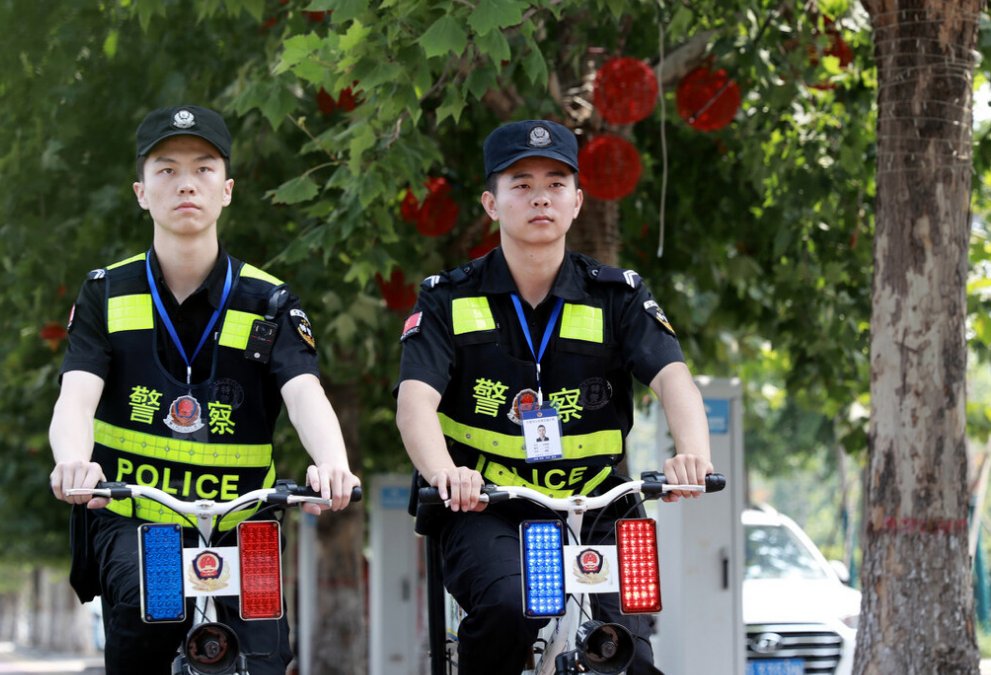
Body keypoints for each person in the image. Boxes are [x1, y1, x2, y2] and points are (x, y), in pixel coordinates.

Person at [48, 104, 361, 675]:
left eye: (204, 169)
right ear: (141, 191)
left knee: (265, 660)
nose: (185, 183)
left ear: (228, 190)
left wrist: (333, 465)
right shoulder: (107, 294)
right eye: (166, 170)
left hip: (245, 523)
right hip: (140, 516)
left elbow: (304, 391)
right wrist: (73, 462)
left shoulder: (270, 301)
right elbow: (76, 394)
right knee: (153, 615)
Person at [395, 119, 713, 675]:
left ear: (577, 202)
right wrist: (448, 474)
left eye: (556, 182)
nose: (540, 195)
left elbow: (673, 379)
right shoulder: (447, 298)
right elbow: (415, 402)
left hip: (596, 503)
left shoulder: (617, 295)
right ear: (491, 203)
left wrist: (692, 453)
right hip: (488, 507)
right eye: (521, 183)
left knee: (627, 655)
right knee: (510, 609)